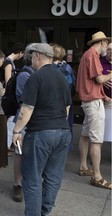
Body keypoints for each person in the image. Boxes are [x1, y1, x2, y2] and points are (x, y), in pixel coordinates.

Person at [12, 43, 72, 215]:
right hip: (63, 131)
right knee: (53, 177)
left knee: (32, 178)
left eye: (31, 56)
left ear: (38, 56)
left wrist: (16, 131)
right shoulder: (62, 76)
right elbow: (67, 107)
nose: (30, 60)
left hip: (40, 133)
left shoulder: (35, 78)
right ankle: (45, 211)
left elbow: (26, 110)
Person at [76, 31, 112, 190]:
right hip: (93, 103)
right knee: (97, 140)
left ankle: (83, 166)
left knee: (85, 135)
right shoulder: (93, 55)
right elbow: (99, 79)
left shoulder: (87, 54)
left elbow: (93, 82)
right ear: (103, 43)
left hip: (89, 100)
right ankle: (97, 177)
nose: (107, 48)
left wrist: (103, 95)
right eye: (107, 45)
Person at [11, 43, 35, 202]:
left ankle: (28, 182)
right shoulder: (25, 75)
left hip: (36, 119)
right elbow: (23, 99)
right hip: (24, 119)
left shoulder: (40, 73)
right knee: (19, 152)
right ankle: (17, 184)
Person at [0, 43, 25, 153]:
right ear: (20, 53)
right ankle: (6, 144)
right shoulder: (8, 63)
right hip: (7, 95)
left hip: (6, 94)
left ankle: (7, 143)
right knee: (10, 118)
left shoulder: (8, 61)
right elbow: (8, 80)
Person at [50, 43, 76, 151]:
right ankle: (65, 148)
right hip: (67, 101)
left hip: (52, 102)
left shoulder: (50, 68)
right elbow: (73, 86)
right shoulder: (68, 67)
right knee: (67, 126)